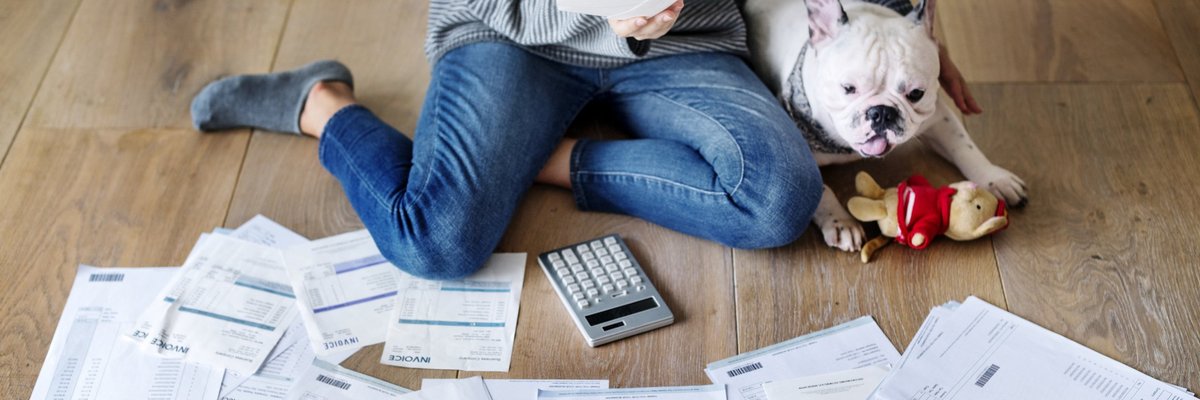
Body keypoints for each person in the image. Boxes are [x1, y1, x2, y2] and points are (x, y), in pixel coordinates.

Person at [191, 0, 979, 280]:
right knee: (434, 242)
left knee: (781, 198)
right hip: (513, 33)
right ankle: (321, 105)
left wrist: (895, 40)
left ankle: (548, 159)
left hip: (686, 40)